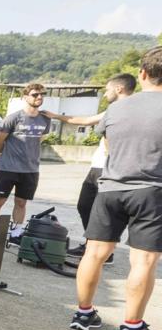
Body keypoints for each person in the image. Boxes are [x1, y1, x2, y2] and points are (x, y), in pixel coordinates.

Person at [70, 47, 162, 330]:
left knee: (94, 252)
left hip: (109, 188)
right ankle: (131, 328)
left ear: (143, 73)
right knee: (143, 261)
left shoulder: (116, 108)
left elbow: (108, 146)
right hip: (151, 190)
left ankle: (83, 314)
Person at [45, 73, 136, 257]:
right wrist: (55, 116)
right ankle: (93, 245)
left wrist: (113, 158)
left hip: (108, 168)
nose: (105, 94)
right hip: (99, 167)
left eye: (108, 89)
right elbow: (86, 121)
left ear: (119, 89)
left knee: (100, 210)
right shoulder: (114, 108)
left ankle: (102, 251)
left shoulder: (128, 109)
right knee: (86, 206)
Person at [0, 83, 50, 240]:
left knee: (21, 202)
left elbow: (38, 141)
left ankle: (16, 234)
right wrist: (3, 154)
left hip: (31, 170)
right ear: (25, 97)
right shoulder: (13, 118)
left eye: (42, 94)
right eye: (35, 94)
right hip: (9, 168)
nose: (39, 97)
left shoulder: (45, 120)